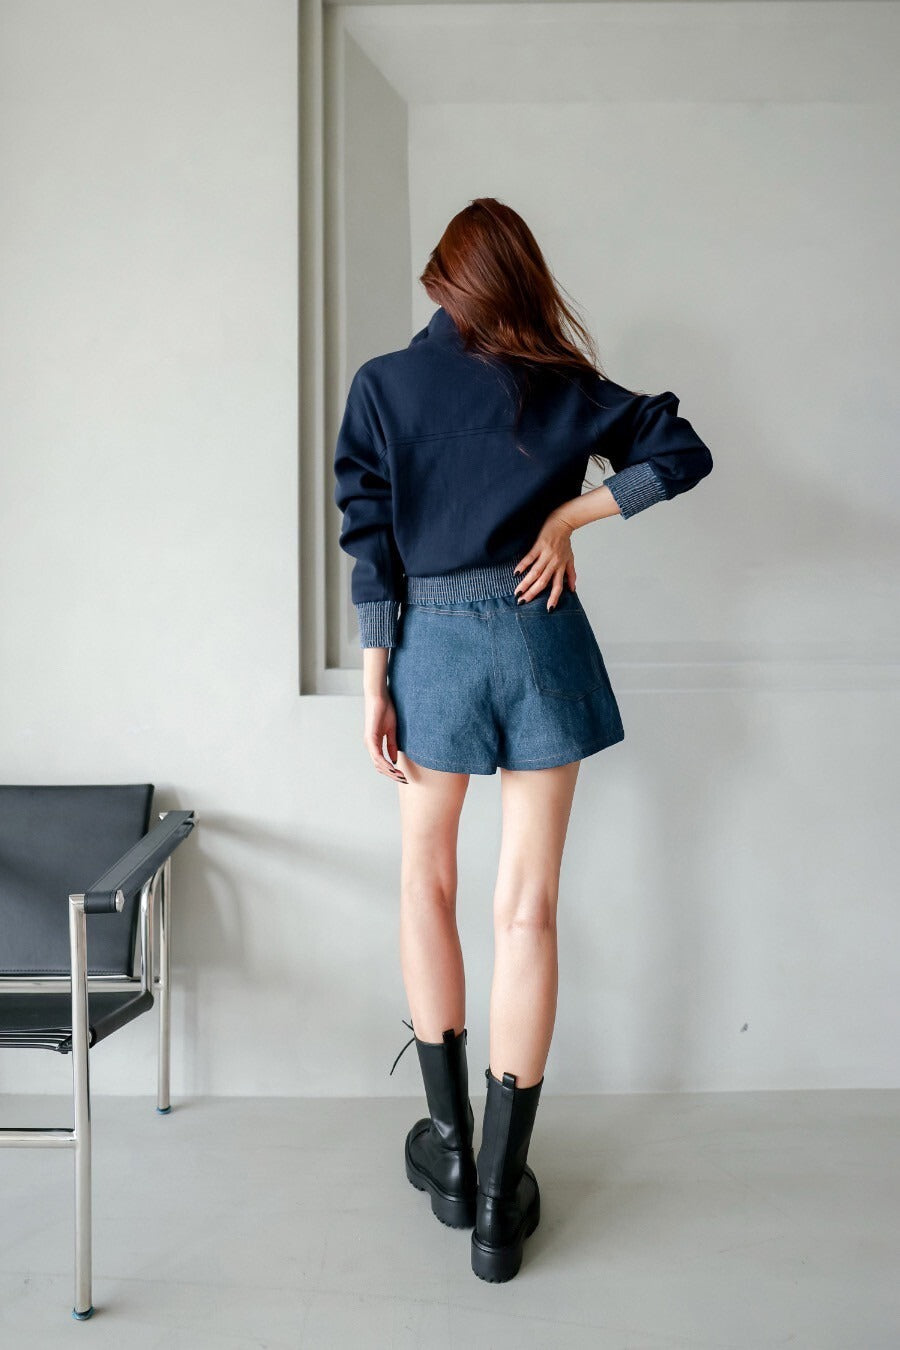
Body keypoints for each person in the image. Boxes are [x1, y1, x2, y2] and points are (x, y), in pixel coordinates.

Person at [333, 197, 714, 1282]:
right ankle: (503, 1197)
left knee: (426, 885)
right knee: (529, 909)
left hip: (431, 650)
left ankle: (452, 1157)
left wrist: (376, 678)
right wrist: (568, 517)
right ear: (520, 278)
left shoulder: (384, 385)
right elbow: (680, 452)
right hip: (541, 638)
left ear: (443, 280)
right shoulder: (560, 381)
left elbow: (370, 537)